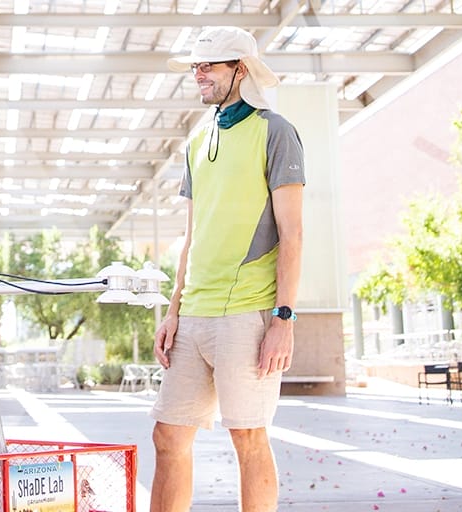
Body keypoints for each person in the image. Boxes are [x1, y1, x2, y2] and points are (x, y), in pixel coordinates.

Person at [150, 27, 305, 512]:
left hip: (249, 314)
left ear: (241, 68)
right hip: (194, 315)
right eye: (196, 66)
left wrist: (284, 319)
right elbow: (192, 236)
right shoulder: (197, 140)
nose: (198, 74)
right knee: (167, 436)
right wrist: (173, 310)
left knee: (249, 439)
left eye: (208, 66)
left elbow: (293, 234)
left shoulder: (275, 132)